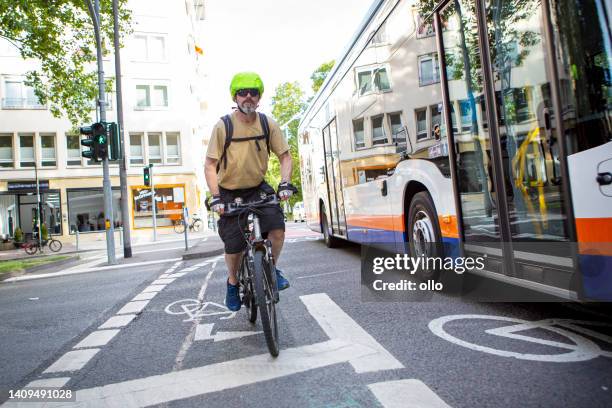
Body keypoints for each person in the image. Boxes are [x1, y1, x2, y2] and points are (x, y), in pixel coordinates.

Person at [204, 72, 297, 312]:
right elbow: (210, 164)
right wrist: (215, 197)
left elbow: (285, 156)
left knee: (276, 229)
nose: (248, 97)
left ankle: (271, 269)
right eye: (243, 92)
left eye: (253, 93)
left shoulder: (267, 123)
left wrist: (285, 182)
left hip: (257, 187)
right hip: (228, 191)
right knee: (234, 246)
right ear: (235, 96)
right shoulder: (223, 126)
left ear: (259, 97)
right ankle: (233, 282)